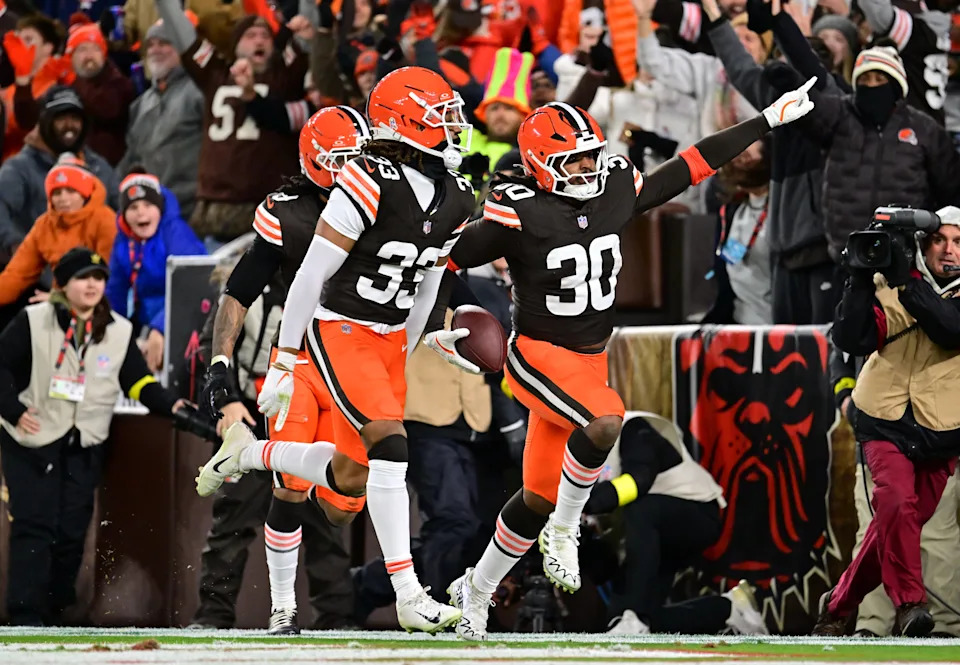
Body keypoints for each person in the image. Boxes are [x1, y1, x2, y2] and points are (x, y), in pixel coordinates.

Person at [423, 81, 817, 640]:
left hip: (588, 358)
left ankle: (476, 589)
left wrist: (767, 121)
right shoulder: (520, 209)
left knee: (534, 496)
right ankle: (566, 529)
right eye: (572, 158)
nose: (586, 166)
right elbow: (445, 258)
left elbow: (694, 163)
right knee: (606, 420)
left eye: (589, 154)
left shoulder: (614, 189)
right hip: (536, 353)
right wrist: (447, 321)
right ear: (540, 163)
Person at [195, 65, 476, 634]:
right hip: (322, 339)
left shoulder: (440, 193)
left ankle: (250, 456)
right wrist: (252, 367)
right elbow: (253, 290)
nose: (351, 168)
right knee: (306, 485)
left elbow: (428, 276)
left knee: (347, 485)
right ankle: (367, 596)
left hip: (380, 340)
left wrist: (429, 335)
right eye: (339, 162)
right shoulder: (308, 205)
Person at [197, 105, 370, 634]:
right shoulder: (280, 231)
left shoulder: (378, 206)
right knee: (238, 514)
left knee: (328, 514)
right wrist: (222, 387)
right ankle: (214, 615)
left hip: (336, 377)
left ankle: (336, 617)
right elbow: (233, 301)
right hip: (263, 393)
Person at [0, 246, 187, 626]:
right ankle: (25, 614)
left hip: (84, 442)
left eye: (99, 278)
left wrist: (173, 406)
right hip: (32, 440)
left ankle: (55, 609)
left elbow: (138, 382)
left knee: (71, 532)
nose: (92, 285)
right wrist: (15, 412)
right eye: (83, 277)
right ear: (63, 284)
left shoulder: (119, 330)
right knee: (34, 526)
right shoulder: (32, 320)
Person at [814, 205, 960, 637]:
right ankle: (910, 606)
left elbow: (950, 328)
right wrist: (858, 280)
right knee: (895, 503)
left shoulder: (904, 280)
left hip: (943, 429)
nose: (948, 250)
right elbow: (851, 339)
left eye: (957, 242)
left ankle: (838, 606)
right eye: (939, 239)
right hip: (884, 418)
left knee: (898, 526)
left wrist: (907, 280)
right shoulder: (885, 280)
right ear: (923, 243)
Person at [591, 412, 766, 636]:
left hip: (696, 513)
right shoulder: (575, 455)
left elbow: (639, 479)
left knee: (641, 510)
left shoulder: (633, 427)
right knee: (633, 620)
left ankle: (633, 615)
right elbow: (602, 566)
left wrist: (577, 504)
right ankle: (729, 609)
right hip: (652, 537)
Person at [153, 0, 312, 247]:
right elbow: (182, 35)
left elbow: (307, 29)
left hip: (271, 206)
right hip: (217, 209)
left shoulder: (285, 76)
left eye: (265, 35)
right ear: (236, 45)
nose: (259, 40)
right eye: (250, 35)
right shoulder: (215, 73)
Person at [105, 171, 206, 373]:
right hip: (146, 320)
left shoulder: (175, 232)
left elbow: (191, 287)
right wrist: (109, 330)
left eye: (148, 205)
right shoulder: (124, 241)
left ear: (159, 208)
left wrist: (160, 329)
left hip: (183, 318)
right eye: (133, 207)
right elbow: (115, 291)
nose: (141, 213)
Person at [0, 154, 115, 307]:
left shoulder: (105, 220)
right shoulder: (44, 225)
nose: (63, 199)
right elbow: (17, 274)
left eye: (71, 191)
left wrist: (64, 298)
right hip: (57, 303)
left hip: (99, 305)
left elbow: (109, 276)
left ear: (85, 193)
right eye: (57, 193)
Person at [118, 19, 204, 220]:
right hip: (151, 211)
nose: (155, 50)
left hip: (191, 209)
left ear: (182, 48)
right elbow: (131, 158)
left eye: (164, 43)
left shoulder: (200, 92)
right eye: (151, 45)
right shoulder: (140, 104)